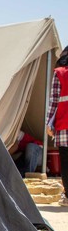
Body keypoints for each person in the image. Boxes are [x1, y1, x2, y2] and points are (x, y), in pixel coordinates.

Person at [46, 46, 68, 207]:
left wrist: (49, 123)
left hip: (64, 125)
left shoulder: (60, 73)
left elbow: (54, 101)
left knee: (66, 162)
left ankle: (67, 196)